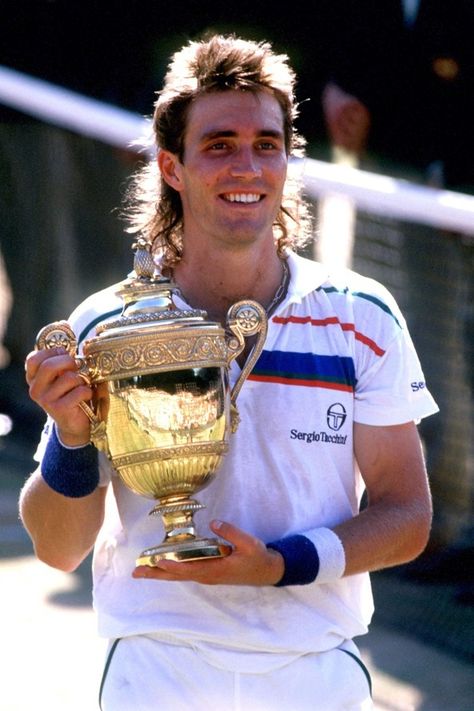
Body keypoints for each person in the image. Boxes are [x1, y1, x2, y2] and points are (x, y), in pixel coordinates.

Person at [21, 34, 438, 711]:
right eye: (218, 144)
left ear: (287, 161)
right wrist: (70, 436)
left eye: (266, 144)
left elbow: (407, 512)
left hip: (317, 667)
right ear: (172, 166)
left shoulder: (362, 314)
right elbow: (56, 547)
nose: (247, 166)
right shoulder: (105, 326)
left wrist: (281, 564)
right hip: (157, 667)